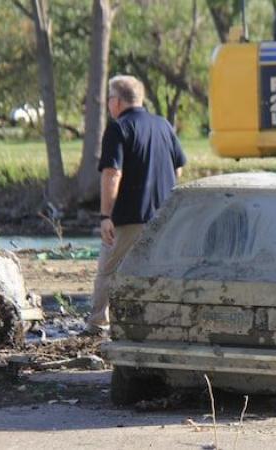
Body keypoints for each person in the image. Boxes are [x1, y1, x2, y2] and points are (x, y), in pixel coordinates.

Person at [82, 75, 187, 336]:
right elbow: (180, 168)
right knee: (156, 272)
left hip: (129, 217)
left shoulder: (118, 128)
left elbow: (111, 173)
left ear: (116, 101)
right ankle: (162, 321)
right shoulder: (163, 125)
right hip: (164, 217)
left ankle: (98, 324)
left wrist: (106, 215)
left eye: (109, 99)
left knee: (108, 271)